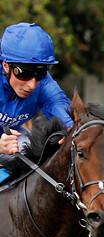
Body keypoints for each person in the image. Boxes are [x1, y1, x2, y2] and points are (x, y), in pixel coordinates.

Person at [0, 22, 73, 182]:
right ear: (6, 66)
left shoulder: (44, 84)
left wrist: (71, 128)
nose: (32, 85)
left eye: (40, 73)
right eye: (24, 73)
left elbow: (58, 104)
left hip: (11, 138)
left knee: (27, 145)